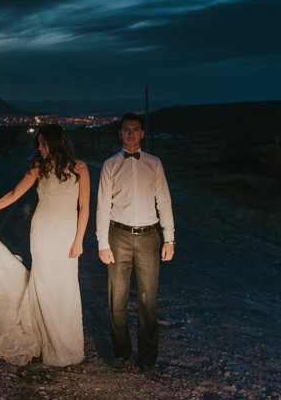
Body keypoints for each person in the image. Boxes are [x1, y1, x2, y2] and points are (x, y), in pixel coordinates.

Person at [0, 124, 90, 367]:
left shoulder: (80, 168)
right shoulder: (38, 168)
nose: (40, 148)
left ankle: (66, 345)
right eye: (39, 144)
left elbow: (84, 207)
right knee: (43, 284)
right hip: (42, 232)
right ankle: (44, 340)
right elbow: (14, 194)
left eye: (44, 144)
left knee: (65, 286)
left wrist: (79, 241)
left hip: (67, 233)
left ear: (55, 143)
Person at [96, 112, 175, 381]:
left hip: (148, 237)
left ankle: (148, 361)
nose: (131, 133)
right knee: (116, 299)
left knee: (147, 301)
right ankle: (121, 354)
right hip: (118, 236)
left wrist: (169, 238)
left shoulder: (154, 164)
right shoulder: (110, 165)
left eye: (135, 129)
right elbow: (102, 206)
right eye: (126, 129)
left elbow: (164, 201)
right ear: (119, 134)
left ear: (142, 134)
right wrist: (102, 243)